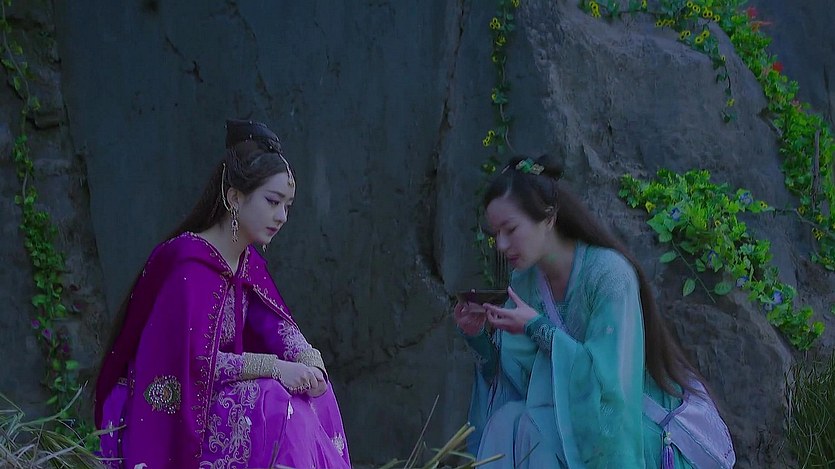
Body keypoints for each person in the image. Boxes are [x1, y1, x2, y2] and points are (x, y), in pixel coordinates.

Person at [95, 119, 351, 469]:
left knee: (313, 393)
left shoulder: (247, 263)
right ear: (234, 197)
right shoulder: (186, 264)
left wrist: (309, 361)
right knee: (277, 400)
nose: (281, 217)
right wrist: (276, 368)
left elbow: (274, 325)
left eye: (287, 206)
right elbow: (191, 362)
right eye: (273, 201)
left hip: (218, 394)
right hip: (176, 412)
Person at [455, 154, 734, 468]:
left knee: (535, 430)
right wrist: (477, 336)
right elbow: (516, 384)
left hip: (632, 431)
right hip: (566, 424)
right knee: (508, 420)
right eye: (496, 235)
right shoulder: (525, 282)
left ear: (548, 218)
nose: (501, 246)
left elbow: (610, 391)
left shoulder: (609, 275)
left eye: (510, 229)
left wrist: (538, 329)